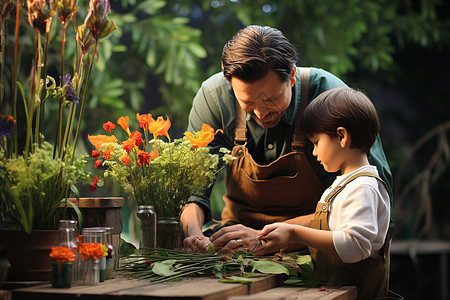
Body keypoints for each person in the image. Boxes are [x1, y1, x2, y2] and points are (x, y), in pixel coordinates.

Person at [181, 25, 393, 255]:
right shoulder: (214, 99)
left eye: (271, 99)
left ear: (291, 76)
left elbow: (375, 208)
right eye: (248, 104)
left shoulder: (330, 98)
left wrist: (272, 235)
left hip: (317, 252)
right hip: (236, 248)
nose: (262, 113)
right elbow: (192, 190)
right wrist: (194, 234)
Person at [258, 87, 390, 299]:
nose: (314, 152)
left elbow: (356, 245)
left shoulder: (363, 187)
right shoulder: (344, 184)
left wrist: (294, 232)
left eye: (317, 142)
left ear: (341, 136)